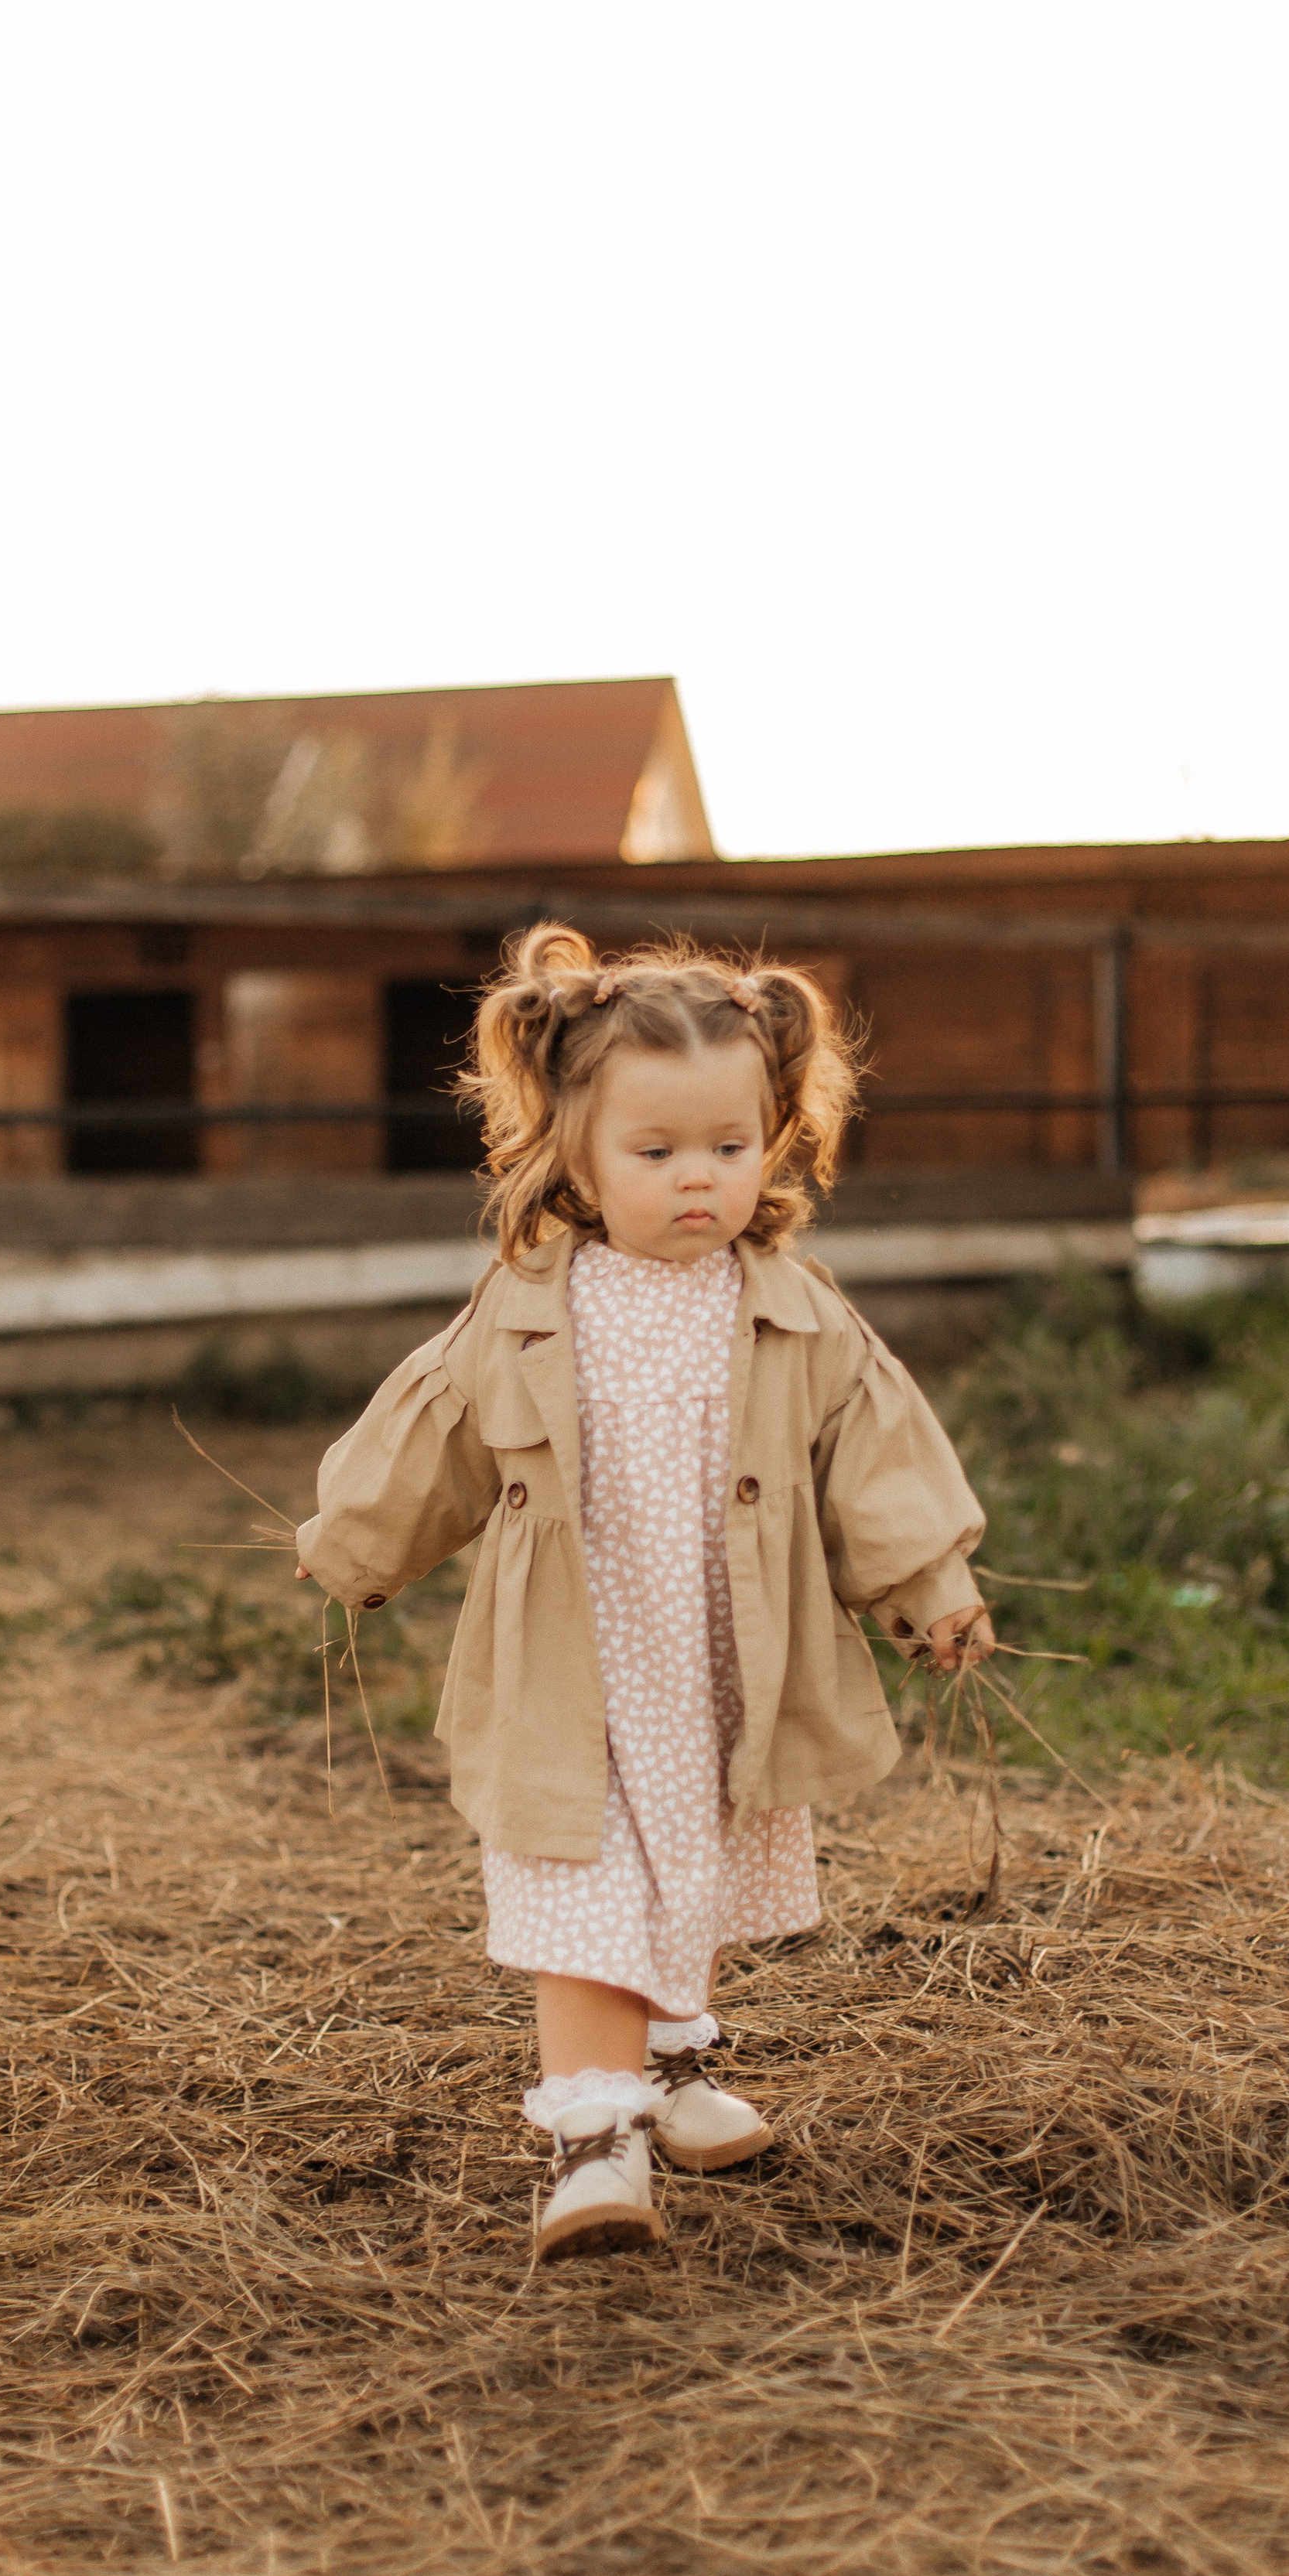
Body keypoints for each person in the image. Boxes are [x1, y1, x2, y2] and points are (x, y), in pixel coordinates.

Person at [295, 925, 993, 2263]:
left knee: (695, 1859)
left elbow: (876, 1455)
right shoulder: (528, 1305)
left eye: (729, 1149)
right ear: (575, 1151)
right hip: (576, 1662)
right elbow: (436, 1432)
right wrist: (357, 1544)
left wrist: (930, 1586)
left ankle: (672, 2068)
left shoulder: (791, 1309)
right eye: (656, 1152)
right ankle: (593, 2141)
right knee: (587, 1878)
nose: (697, 1181)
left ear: (775, 1139)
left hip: (727, 1651)